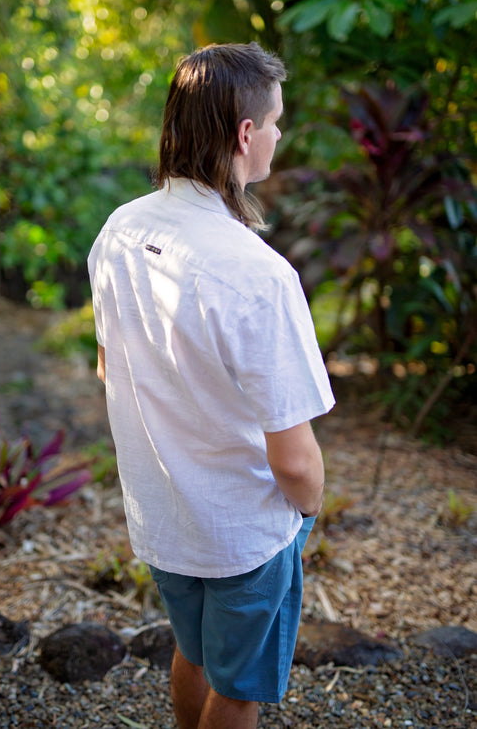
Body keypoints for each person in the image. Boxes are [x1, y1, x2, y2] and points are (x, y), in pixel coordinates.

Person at [88, 42, 335, 729]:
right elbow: (295, 460)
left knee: (194, 654)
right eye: (277, 121)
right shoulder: (258, 275)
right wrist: (306, 510)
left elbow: (111, 367)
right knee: (239, 687)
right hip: (242, 533)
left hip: (164, 518)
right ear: (246, 134)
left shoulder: (118, 231)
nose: (280, 134)